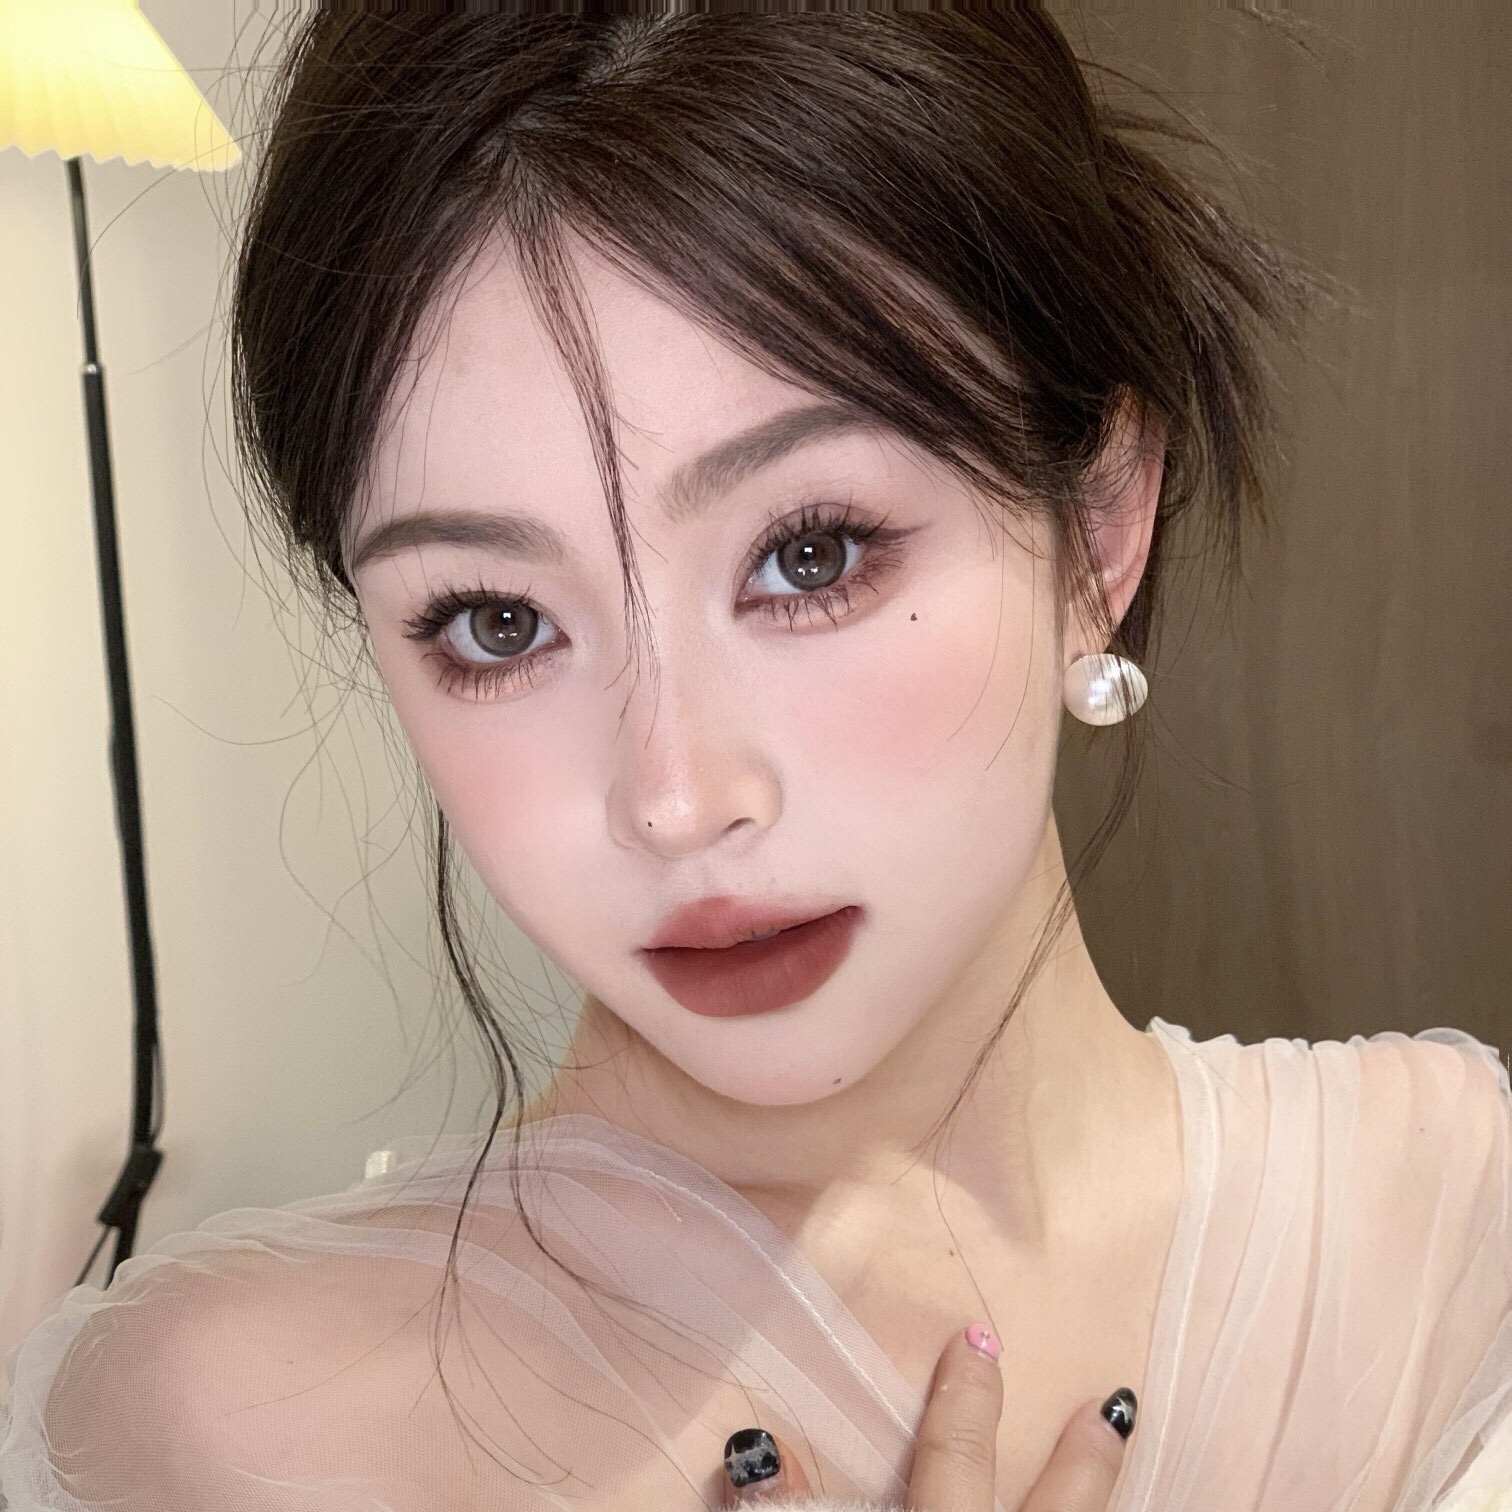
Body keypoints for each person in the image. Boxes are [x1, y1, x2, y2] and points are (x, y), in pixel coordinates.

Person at [2, 9, 1508, 1511]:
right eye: (499, 623)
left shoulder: (1462, 1216)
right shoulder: (243, 1433)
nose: (675, 798)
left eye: (811, 554)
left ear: (1098, 528)